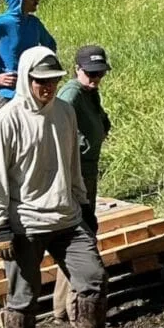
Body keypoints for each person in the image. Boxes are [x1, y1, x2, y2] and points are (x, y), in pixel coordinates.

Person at [0, 45, 131, 328]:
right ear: (27, 79)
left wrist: (83, 203)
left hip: (67, 217)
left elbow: (72, 163)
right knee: (22, 299)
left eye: (52, 81)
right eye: (40, 81)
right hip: (24, 224)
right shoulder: (6, 121)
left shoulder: (64, 112)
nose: (46, 87)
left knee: (93, 279)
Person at [56, 43, 111, 230]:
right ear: (77, 69)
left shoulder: (90, 91)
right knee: (81, 218)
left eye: (100, 74)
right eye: (91, 74)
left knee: (89, 215)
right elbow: (56, 123)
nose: (96, 79)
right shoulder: (71, 93)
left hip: (89, 165)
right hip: (78, 166)